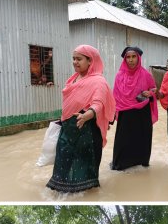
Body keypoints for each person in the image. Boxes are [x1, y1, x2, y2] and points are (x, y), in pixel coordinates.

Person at [46, 45, 116, 193]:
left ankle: (84, 193)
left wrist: (86, 115)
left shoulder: (98, 81)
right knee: (63, 162)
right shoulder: (73, 79)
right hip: (68, 128)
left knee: (84, 166)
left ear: (90, 61)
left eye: (79, 59)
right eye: (74, 59)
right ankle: (63, 192)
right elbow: (69, 103)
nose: (75, 62)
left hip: (87, 129)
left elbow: (98, 104)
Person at [111, 46, 159, 170]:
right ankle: (120, 164)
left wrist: (151, 93)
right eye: (128, 57)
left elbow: (153, 89)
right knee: (123, 140)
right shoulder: (119, 76)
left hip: (142, 113)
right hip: (125, 113)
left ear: (138, 58)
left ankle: (141, 163)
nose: (131, 60)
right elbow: (115, 96)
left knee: (142, 139)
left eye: (133, 57)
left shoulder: (146, 75)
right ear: (125, 59)